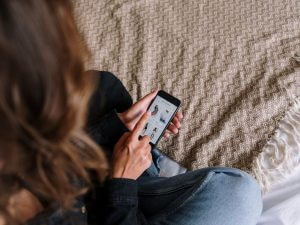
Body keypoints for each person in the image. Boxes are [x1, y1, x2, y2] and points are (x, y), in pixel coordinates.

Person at [0, 1, 263, 225]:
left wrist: (116, 126)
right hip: (111, 203)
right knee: (239, 195)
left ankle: (130, 154)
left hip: (95, 177)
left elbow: (52, 166)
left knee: (103, 88)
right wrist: (122, 183)